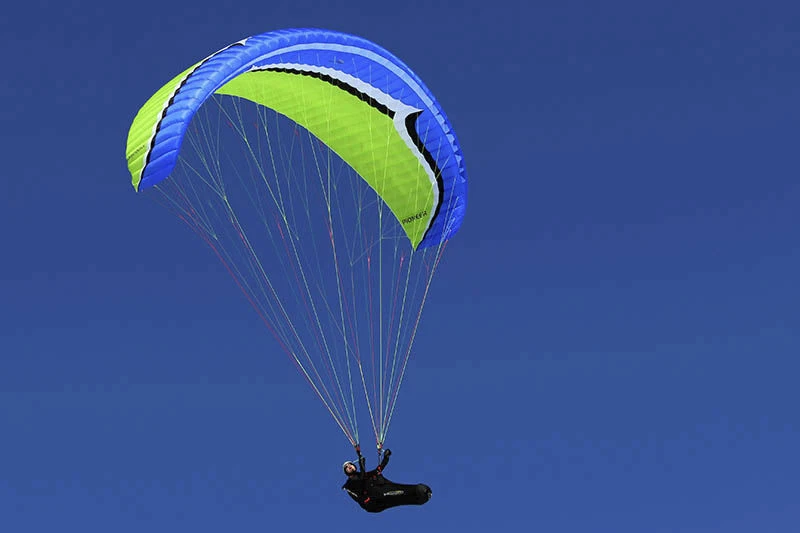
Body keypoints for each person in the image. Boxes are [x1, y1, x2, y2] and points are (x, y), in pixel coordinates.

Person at [342, 447, 432, 513]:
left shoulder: (366, 475)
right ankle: (418, 493)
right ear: (346, 472)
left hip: (382, 492)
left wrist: (386, 458)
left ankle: (420, 496)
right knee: (398, 493)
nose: (349, 466)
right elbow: (360, 482)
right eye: (346, 467)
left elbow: (378, 470)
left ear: (354, 466)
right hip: (373, 500)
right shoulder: (349, 485)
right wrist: (362, 465)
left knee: (400, 497)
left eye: (350, 464)